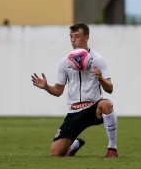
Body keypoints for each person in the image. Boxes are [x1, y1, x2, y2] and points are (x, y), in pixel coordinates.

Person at [31, 23, 118, 158]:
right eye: (71, 36)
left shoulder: (98, 59)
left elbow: (110, 88)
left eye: (77, 36)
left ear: (86, 37)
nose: (73, 40)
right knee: (56, 153)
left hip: (93, 108)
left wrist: (100, 78)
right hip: (74, 111)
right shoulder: (64, 62)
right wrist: (47, 86)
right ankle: (75, 144)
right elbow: (58, 90)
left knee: (106, 104)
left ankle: (112, 148)